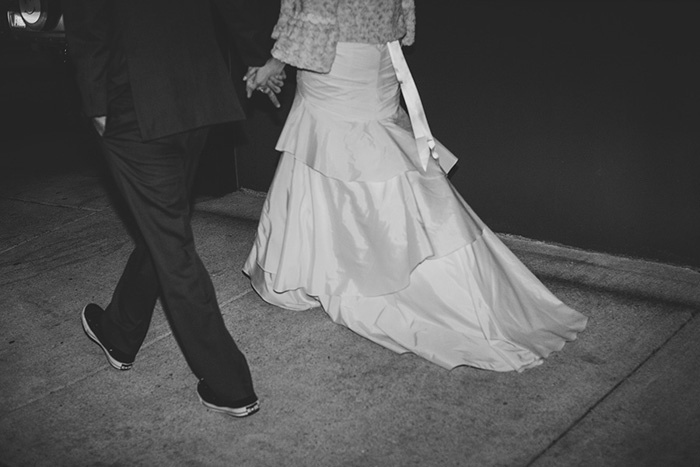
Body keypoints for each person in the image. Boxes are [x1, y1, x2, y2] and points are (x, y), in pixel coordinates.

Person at [243, 0, 588, 372]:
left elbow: (319, 7)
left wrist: (276, 63)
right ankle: (332, 268)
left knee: (350, 161)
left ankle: (371, 274)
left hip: (333, 53)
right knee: (362, 163)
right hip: (375, 49)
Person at [63, 0, 283, 417]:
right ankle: (120, 330)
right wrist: (261, 57)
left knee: (173, 247)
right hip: (197, 95)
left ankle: (230, 385)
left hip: (133, 101)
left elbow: (87, 16)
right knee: (165, 226)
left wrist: (95, 101)